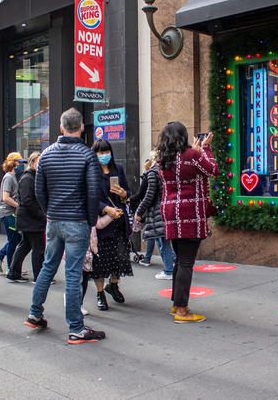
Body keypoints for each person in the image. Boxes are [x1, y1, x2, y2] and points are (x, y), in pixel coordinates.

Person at [25, 107, 105, 345]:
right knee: (72, 273)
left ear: (61, 127)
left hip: (54, 220)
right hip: (77, 220)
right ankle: (76, 328)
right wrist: (91, 220)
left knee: (48, 267)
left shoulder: (46, 154)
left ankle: (34, 313)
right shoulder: (87, 155)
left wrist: (50, 211)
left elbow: (40, 191)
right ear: (81, 127)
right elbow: (93, 193)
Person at [157, 122, 218, 323]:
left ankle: (176, 303)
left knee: (179, 260)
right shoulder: (192, 155)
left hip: (170, 212)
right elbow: (212, 170)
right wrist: (206, 149)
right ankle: (182, 310)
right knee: (186, 262)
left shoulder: (162, 159)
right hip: (190, 212)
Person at [90, 139, 133, 311]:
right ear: (95, 154)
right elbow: (90, 198)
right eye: (100, 152)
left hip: (118, 221)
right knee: (100, 262)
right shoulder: (91, 173)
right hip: (102, 224)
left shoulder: (118, 169)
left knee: (120, 259)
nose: (104, 155)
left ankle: (113, 285)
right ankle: (100, 293)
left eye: (107, 152)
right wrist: (106, 208)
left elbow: (127, 193)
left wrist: (124, 194)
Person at [133, 152, 174, 280]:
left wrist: (139, 212)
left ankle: (168, 271)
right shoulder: (168, 170)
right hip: (169, 208)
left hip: (158, 211)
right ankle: (172, 266)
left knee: (163, 242)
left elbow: (149, 195)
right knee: (164, 240)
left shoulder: (153, 173)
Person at [7, 152, 45, 283]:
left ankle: (13, 272)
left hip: (28, 219)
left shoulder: (31, 177)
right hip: (31, 220)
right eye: (39, 162)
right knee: (37, 248)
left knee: (25, 246)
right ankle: (38, 276)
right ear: (32, 162)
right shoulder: (28, 178)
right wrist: (42, 215)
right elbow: (28, 201)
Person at [0, 152, 25, 274]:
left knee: (15, 238)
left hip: (9, 212)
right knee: (13, 240)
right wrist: (19, 206)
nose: (21, 165)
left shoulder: (11, 177)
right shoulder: (9, 177)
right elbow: (6, 197)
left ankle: (0, 257)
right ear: (14, 163)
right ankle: (11, 267)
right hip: (8, 213)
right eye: (20, 162)